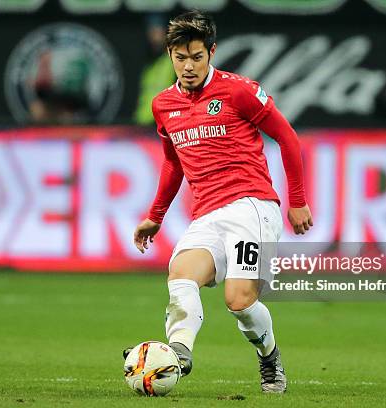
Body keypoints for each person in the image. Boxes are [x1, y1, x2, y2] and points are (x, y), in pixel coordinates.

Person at [126, 11, 313, 394]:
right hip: (208, 213)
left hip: (252, 206)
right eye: (181, 58)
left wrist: (298, 200)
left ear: (211, 52)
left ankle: (269, 358)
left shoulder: (239, 90)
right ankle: (179, 352)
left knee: (239, 302)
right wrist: (155, 216)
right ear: (169, 55)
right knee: (180, 274)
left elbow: (288, 138)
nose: (189, 66)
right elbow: (172, 161)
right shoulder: (163, 105)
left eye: (197, 56)